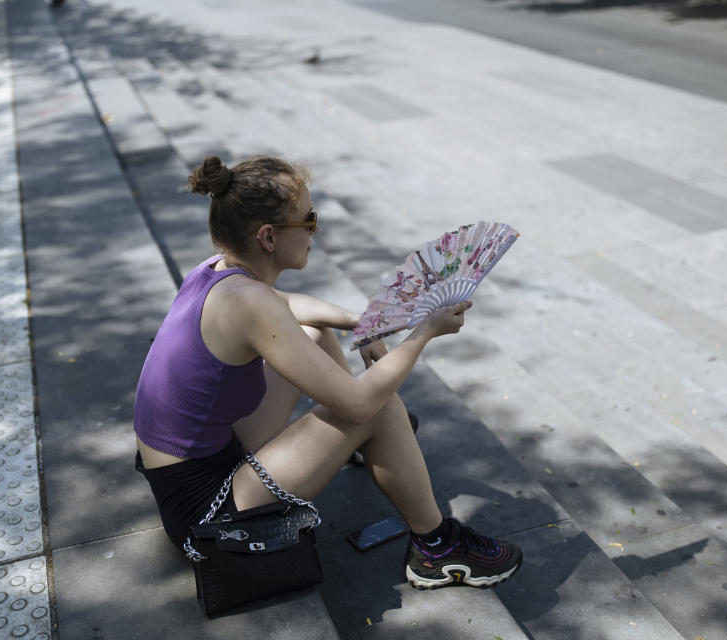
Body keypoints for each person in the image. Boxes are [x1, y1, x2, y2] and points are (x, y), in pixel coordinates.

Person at [133, 155, 522, 590]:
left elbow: (288, 306)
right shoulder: (248, 302)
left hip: (191, 469)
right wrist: (423, 333)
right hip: (206, 514)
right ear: (268, 237)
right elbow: (358, 402)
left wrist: (362, 323)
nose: (316, 231)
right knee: (374, 407)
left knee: (315, 336)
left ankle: (370, 443)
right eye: (309, 221)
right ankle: (437, 548)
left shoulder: (216, 271)